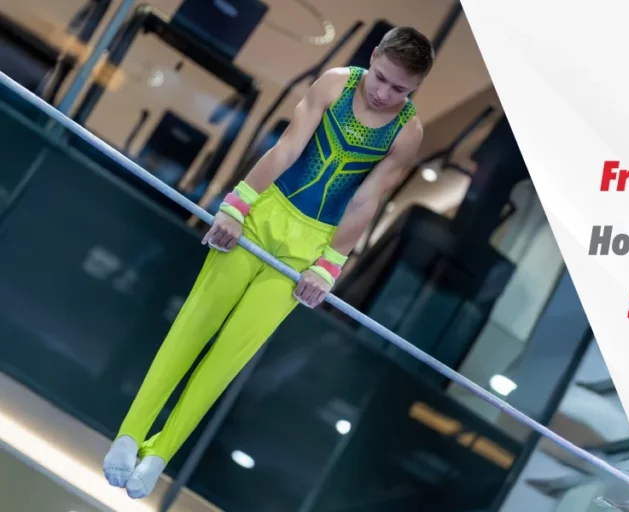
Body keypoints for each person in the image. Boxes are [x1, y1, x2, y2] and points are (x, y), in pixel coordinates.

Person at [102, 27, 432, 499]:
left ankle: (159, 454)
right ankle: (130, 435)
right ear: (373, 56)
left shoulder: (408, 132)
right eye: (381, 78)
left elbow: (366, 201)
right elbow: (288, 148)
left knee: (228, 356)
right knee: (193, 329)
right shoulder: (334, 83)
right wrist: (239, 203)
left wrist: (330, 264)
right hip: (264, 215)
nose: (384, 94)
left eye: (400, 89)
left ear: (415, 89)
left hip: (309, 248)